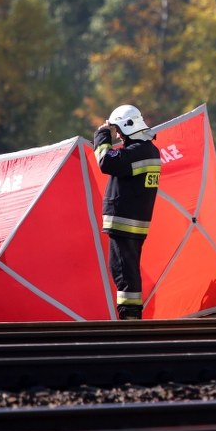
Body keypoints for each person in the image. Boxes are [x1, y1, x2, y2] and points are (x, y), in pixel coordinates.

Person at [93, 104, 162, 320]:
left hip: (125, 223)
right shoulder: (148, 151)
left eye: (119, 130)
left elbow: (106, 162)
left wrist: (102, 134)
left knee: (123, 272)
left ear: (128, 126)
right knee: (127, 271)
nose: (119, 136)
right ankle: (131, 319)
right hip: (133, 223)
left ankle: (130, 319)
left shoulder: (137, 152)